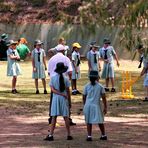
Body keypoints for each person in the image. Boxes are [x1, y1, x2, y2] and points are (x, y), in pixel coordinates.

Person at [48, 44, 76, 125]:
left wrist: (53, 80)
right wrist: (69, 80)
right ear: (63, 51)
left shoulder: (51, 59)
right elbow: (70, 72)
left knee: (53, 100)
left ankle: (52, 118)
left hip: (54, 81)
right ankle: (68, 118)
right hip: (64, 81)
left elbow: (49, 73)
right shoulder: (66, 59)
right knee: (67, 100)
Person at [44, 62, 73, 141]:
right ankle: (69, 134)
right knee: (66, 117)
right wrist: (69, 100)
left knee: (54, 117)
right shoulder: (66, 78)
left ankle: (51, 135)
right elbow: (68, 91)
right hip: (64, 98)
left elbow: (53, 90)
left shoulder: (53, 78)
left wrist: (59, 94)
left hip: (56, 98)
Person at [83, 70, 107, 141]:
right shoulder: (100, 87)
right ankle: (103, 135)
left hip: (88, 105)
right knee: (100, 121)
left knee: (88, 121)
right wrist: (105, 107)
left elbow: (84, 97)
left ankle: (89, 136)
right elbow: (104, 98)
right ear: (97, 78)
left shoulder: (86, 86)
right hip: (96, 105)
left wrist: (85, 105)